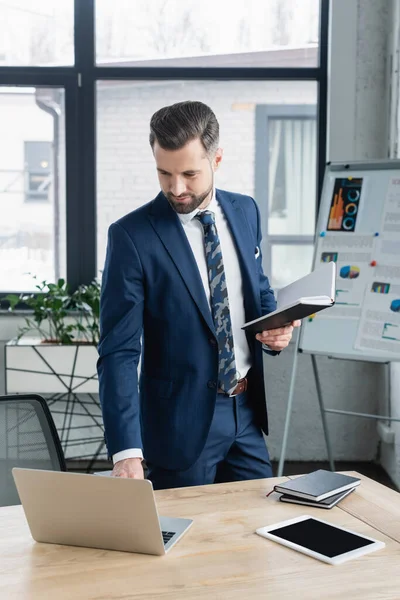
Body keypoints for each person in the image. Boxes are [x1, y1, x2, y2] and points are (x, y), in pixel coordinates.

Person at [97, 100, 300, 490]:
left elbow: (256, 290)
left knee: (255, 535)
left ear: (217, 158)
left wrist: (276, 330)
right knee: (185, 545)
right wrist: (126, 453)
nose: (176, 188)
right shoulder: (131, 236)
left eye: (189, 173)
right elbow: (118, 351)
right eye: (164, 173)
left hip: (246, 415)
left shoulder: (245, 211)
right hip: (177, 428)